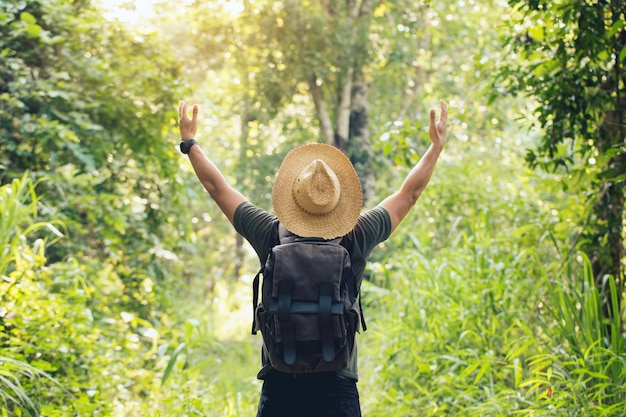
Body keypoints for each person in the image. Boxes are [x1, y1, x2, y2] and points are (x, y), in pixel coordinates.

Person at [177, 99, 448, 417]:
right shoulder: (357, 235)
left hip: (280, 382)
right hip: (338, 384)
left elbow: (216, 187)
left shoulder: (269, 232)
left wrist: (190, 142)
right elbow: (408, 195)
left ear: (292, 195)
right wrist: (435, 148)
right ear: (339, 200)